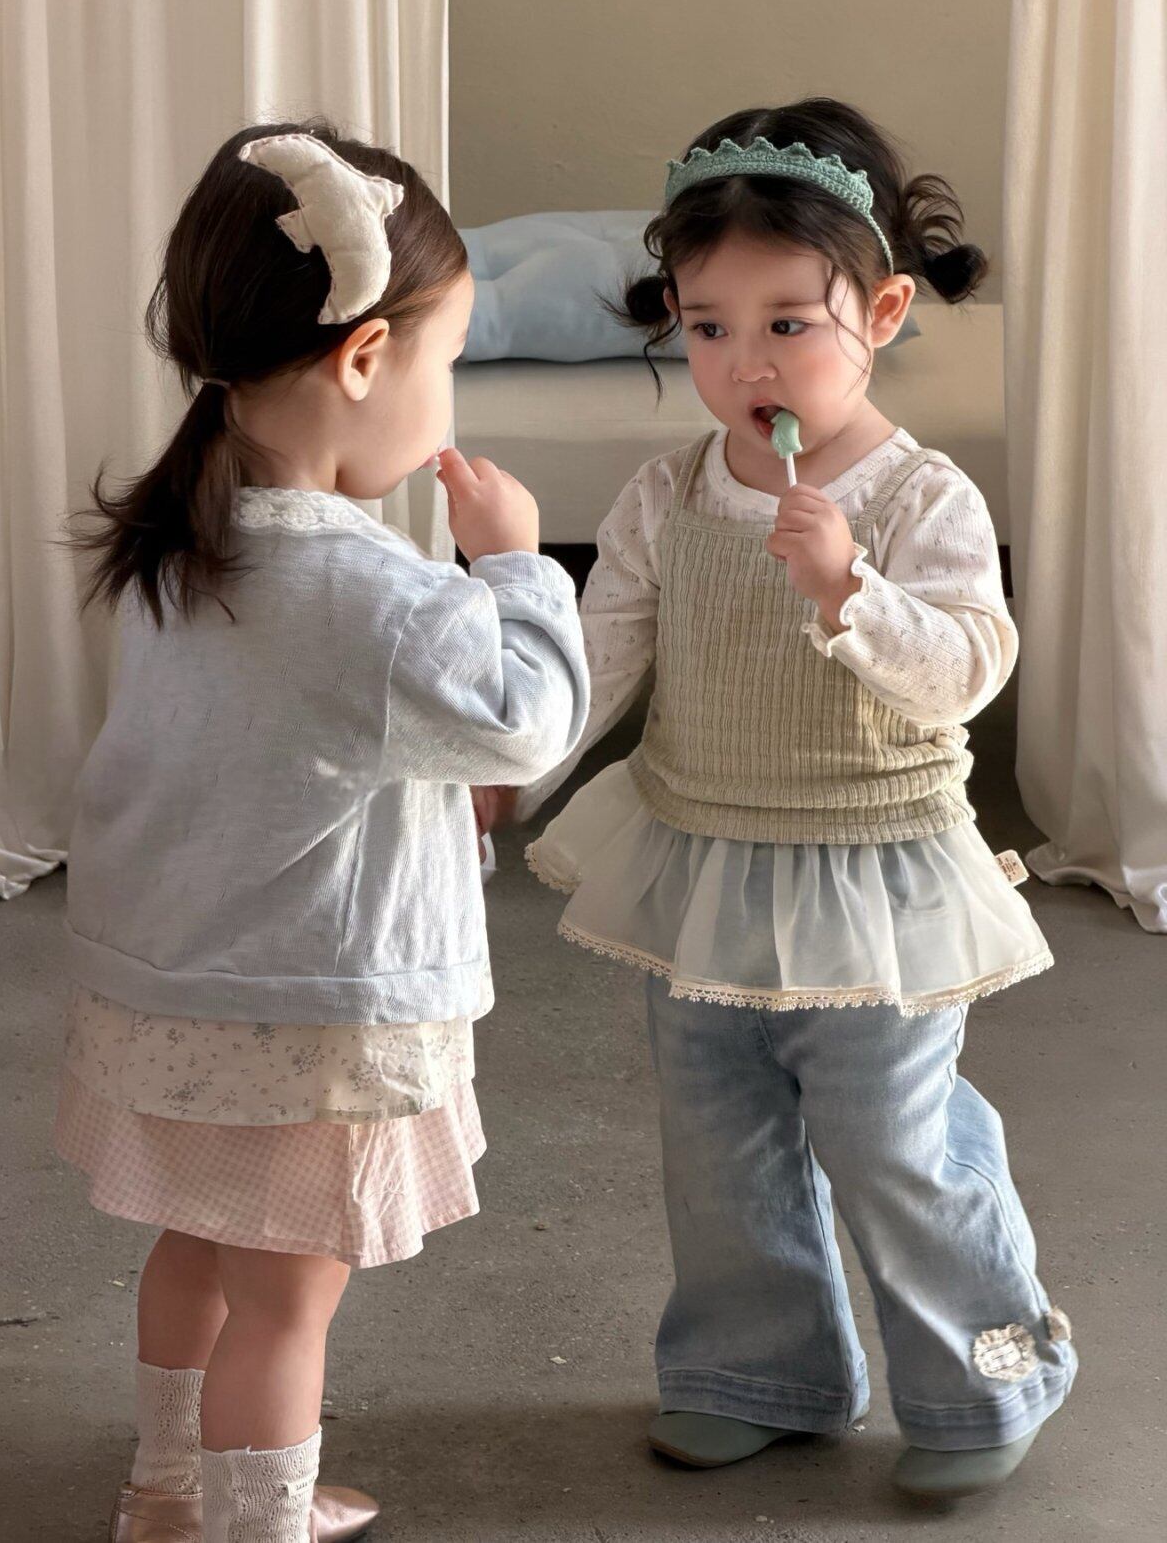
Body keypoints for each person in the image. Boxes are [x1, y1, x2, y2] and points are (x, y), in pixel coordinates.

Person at [513, 98, 1075, 1497]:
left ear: (880, 312)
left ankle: (996, 1370)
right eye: (707, 326)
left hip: (875, 875)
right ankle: (757, 1374)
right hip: (705, 864)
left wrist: (849, 590)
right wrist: (502, 773)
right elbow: (595, 664)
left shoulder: (921, 499)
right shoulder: (667, 495)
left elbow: (965, 673)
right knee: (720, 1141)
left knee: (896, 1139)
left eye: (787, 323)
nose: (744, 361)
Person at [56, 121, 588, 1542]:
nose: (447, 394)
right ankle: (257, 1523)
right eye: (448, 359)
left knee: (197, 1247)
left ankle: (166, 1492)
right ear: (365, 358)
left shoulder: (182, 535)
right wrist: (518, 568)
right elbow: (527, 724)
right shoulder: (374, 594)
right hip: (308, 1025)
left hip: (173, 996)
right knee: (288, 1302)